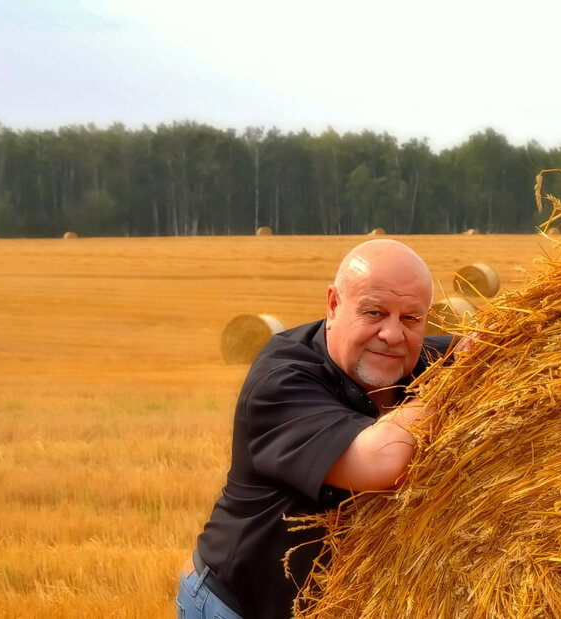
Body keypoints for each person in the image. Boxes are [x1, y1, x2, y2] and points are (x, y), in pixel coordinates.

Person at [177, 239, 452, 619]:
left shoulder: (417, 360)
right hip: (236, 607)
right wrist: (452, 389)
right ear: (334, 304)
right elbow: (380, 461)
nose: (392, 335)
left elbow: (493, 346)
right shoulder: (281, 380)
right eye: (374, 313)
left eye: (410, 318)